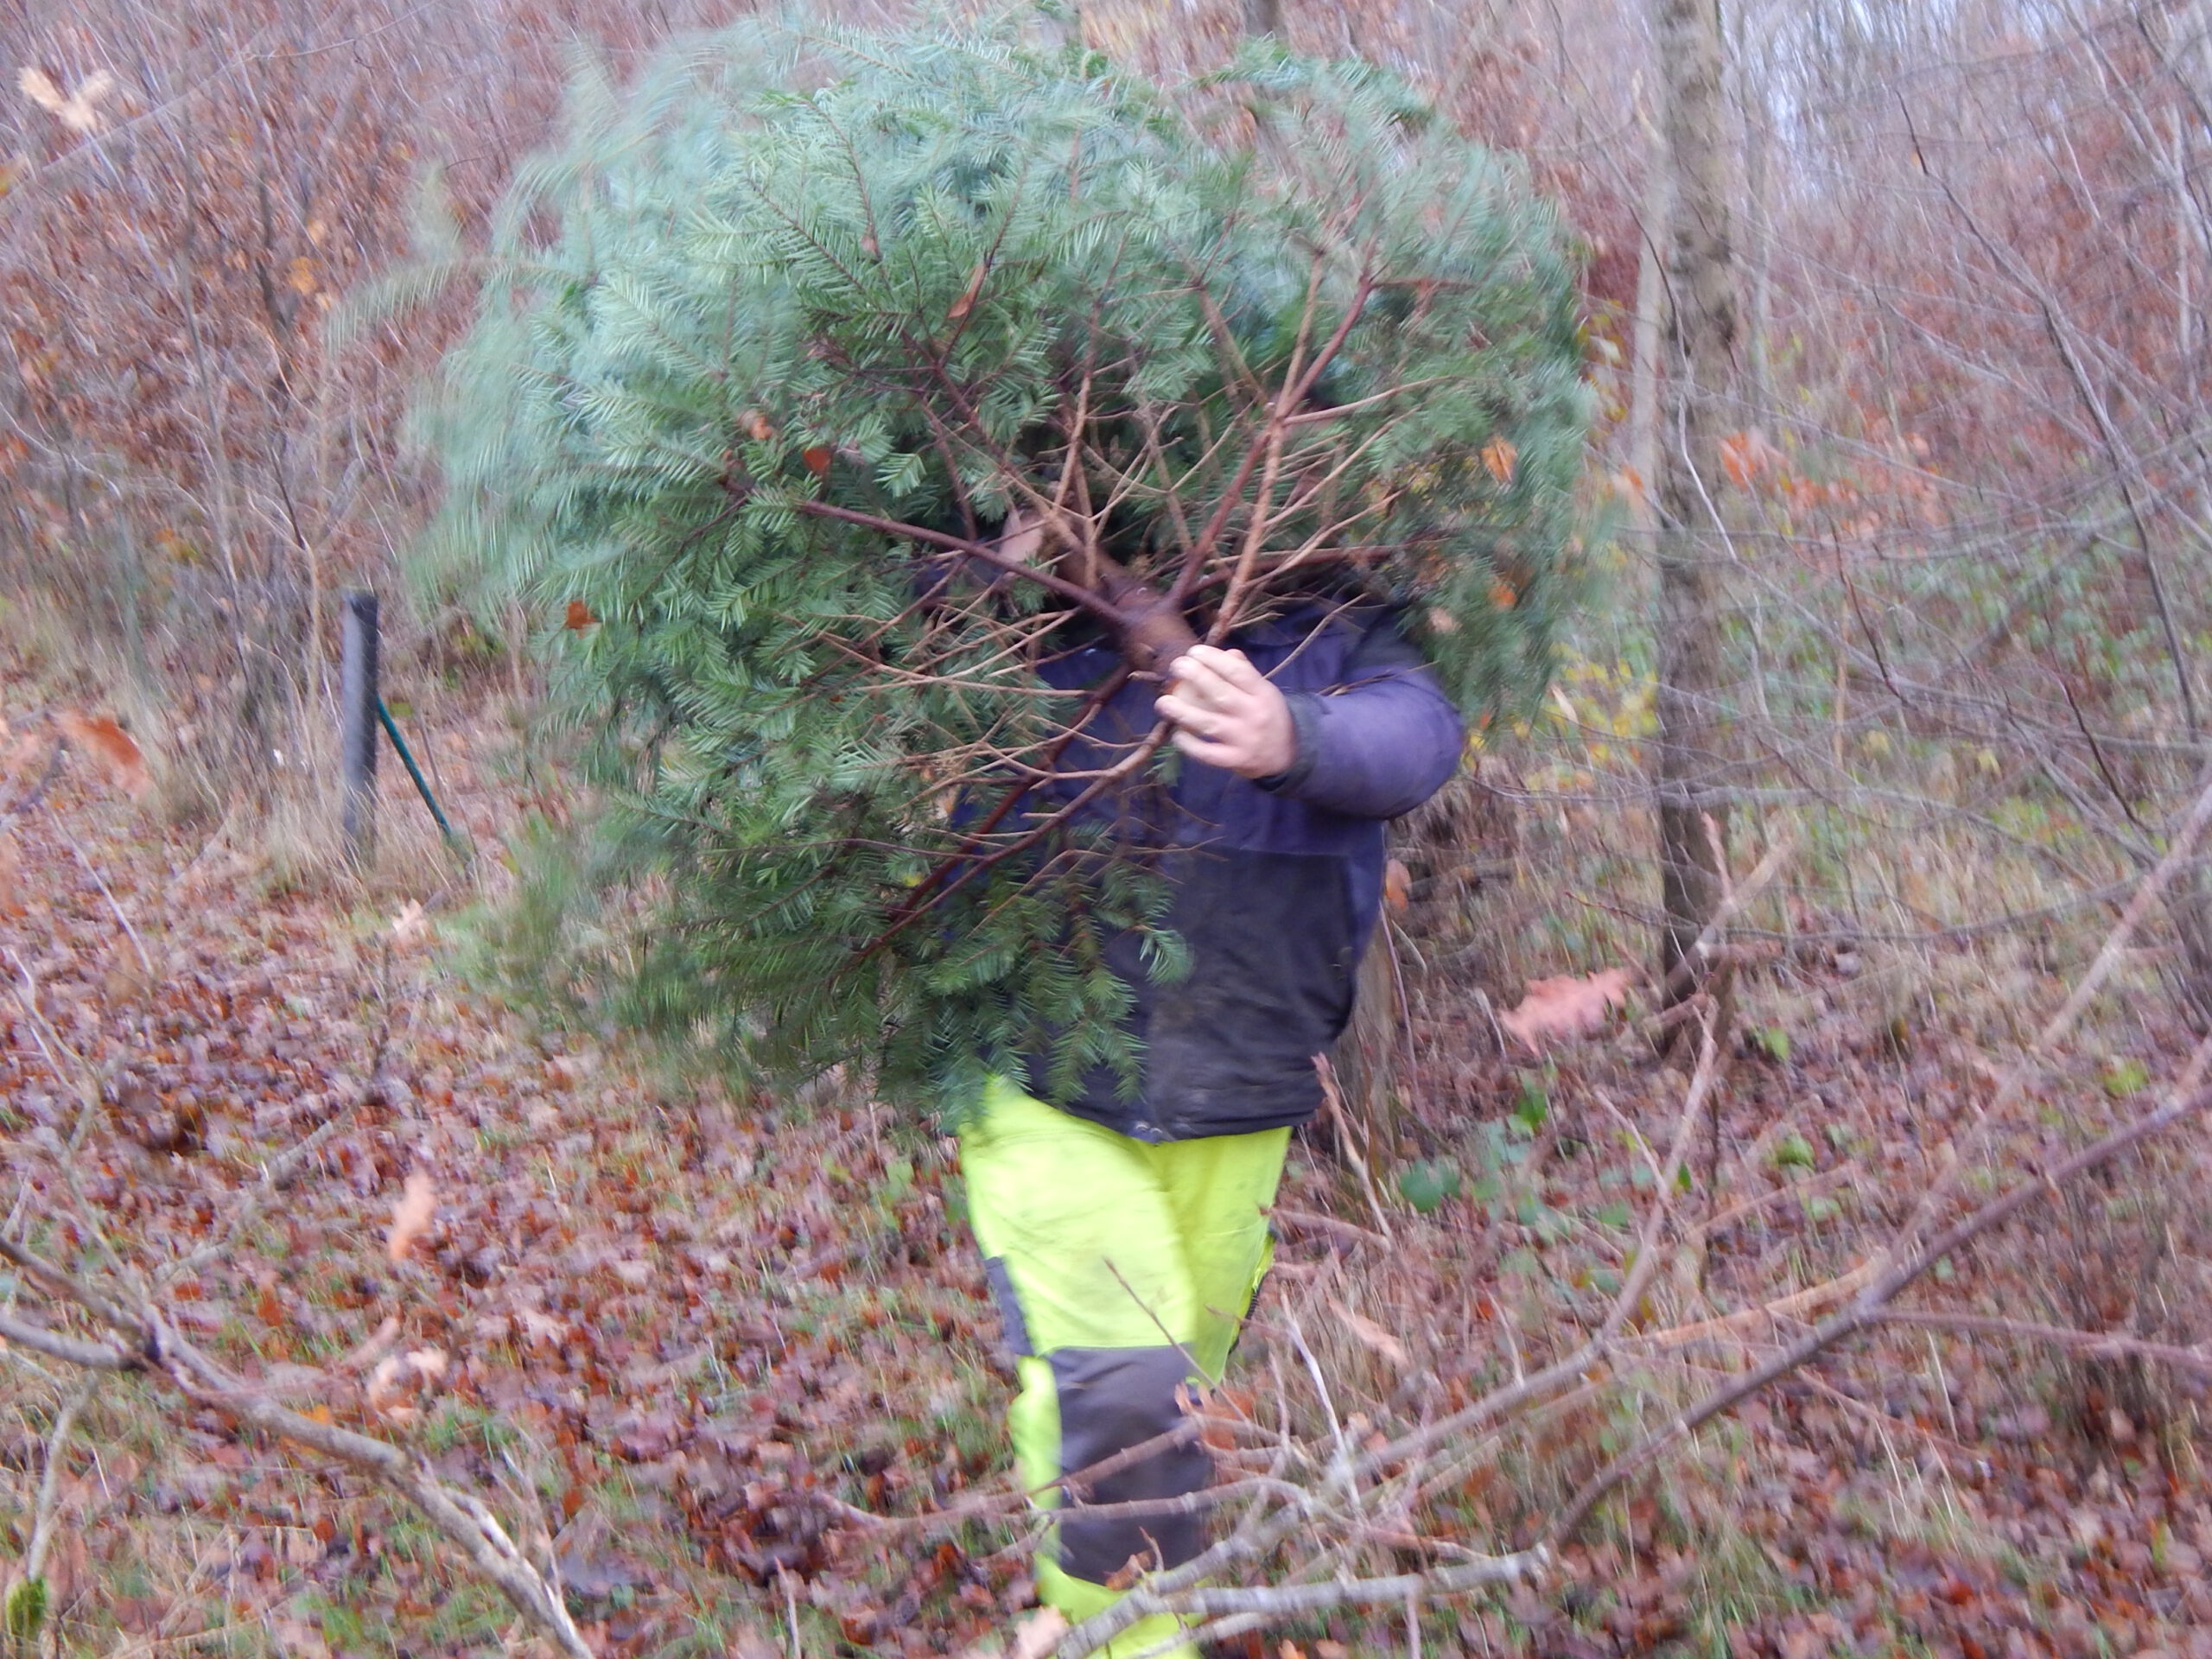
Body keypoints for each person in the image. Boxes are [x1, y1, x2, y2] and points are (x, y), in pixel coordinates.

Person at [957, 596, 1464, 1657]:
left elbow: (1418, 734)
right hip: (1046, 1075)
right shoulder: (1028, 603)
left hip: (1242, 1085)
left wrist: (1294, 734)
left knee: (1171, 1387)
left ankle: (1073, 1601)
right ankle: (1128, 1637)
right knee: (1122, 1383)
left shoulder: (1333, 620)